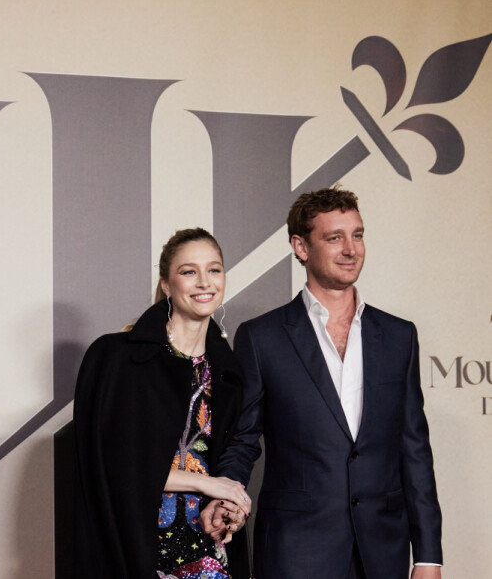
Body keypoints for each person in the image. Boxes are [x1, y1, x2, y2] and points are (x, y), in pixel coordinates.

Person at [201, 187, 443, 579]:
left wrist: (429, 556)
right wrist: (227, 495)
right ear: (300, 246)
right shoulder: (263, 337)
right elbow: (243, 438)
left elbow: (414, 450)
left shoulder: (400, 336)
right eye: (335, 238)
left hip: (383, 552)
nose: (351, 249)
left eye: (358, 235)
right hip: (295, 550)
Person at [74, 228, 251, 578]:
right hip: (139, 545)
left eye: (214, 270)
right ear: (167, 285)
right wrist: (207, 483)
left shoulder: (229, 370)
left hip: (208, 548)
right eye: (189, 271)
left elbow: (232, 454)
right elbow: (114, 467)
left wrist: (229, 503)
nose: (204, 282)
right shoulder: (117, 359)